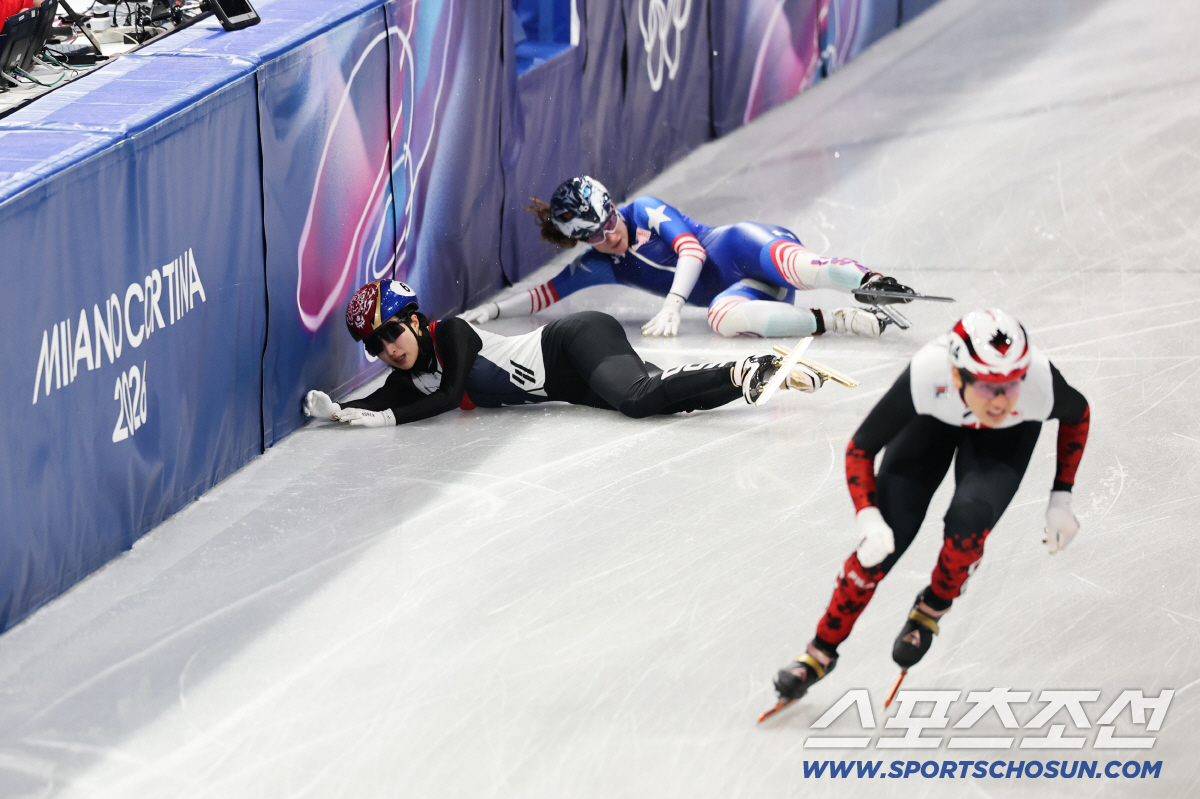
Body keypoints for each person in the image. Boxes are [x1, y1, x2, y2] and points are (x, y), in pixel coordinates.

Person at [769, 309, 1091, 703]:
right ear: (957, 374)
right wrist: (869, 518)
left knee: (969, 519)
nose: (1002, 398)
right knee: (886, 538)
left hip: (1006, 438)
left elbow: (1079, 415)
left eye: (1012, 383)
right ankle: (820, 650)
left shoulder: (1040, 383)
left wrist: (1061, 497)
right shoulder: (928, 373)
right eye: (989, 386)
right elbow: (860, 448)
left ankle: (932, 607)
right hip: (933, 422)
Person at [302, 279, 827, 428]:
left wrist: (388, 418)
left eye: (391, 332)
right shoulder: (407, 376)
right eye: (374, 345)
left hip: (571, 341)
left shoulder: (451, 334)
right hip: (565, 384)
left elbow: (449, 395)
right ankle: (749, 375)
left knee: (638, 397)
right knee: (655, 401)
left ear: (415, 320)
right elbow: (377, 399)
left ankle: (746, 366)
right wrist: (339, 412)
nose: (388, 348)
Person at [461, 175, 918, 339]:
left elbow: (692, 251)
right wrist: (494, 308)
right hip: (746, 292)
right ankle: (840, 322)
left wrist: (673, 305)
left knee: (801, 268)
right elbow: (545, 293)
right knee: (721, 318)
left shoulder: (644, 210)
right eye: (597, 236)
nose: (611, 235)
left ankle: (870, 282)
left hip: (746, 246)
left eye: (610, 221)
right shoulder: (598, 263)